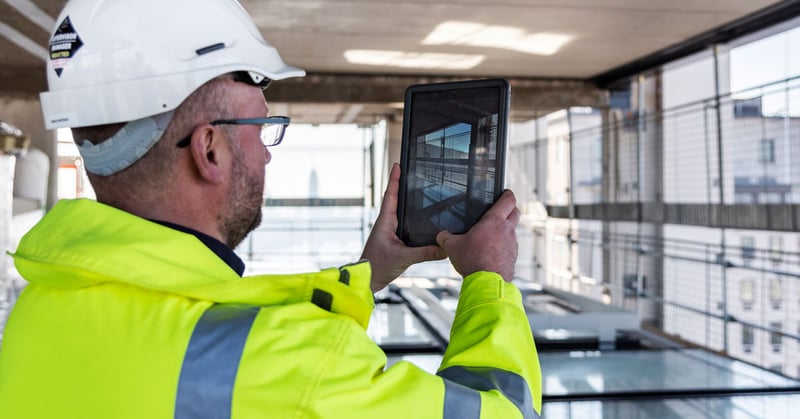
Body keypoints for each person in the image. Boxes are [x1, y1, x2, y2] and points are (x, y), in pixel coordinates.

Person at [0, 0, 543, 417]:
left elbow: (211, 341)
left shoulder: (39, 312)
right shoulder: (296, 366)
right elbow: (509, 410)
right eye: (261, 128)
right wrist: (488, 280)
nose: (266, 153)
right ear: (209, 149)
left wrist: (370, 273)